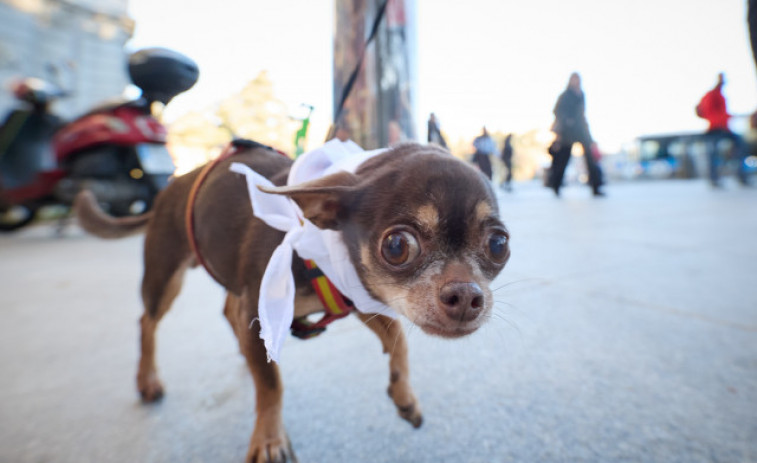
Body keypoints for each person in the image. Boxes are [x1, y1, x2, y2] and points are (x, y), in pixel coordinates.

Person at [548, 72, 604, 197]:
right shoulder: (565, 95)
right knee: (563, 158)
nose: (576, 81)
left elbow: (583, 114)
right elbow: (556, 110)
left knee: (590, 158)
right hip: (568, 131)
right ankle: (556, 186)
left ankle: (596, 187)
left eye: (578, 79)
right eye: (574, 79)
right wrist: (567, 121)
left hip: (581, 129)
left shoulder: (581, 94)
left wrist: (589, 135)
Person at [696, 73, 749, 187]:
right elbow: (704, 111)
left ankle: (741, 176)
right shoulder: (711, 95)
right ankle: (714, 179)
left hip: (724, 128)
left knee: (740, 145)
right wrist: (717, 119)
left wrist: (731, 116)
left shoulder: (720, 95)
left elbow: (722, 113)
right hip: (715, 128)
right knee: (713, 152)